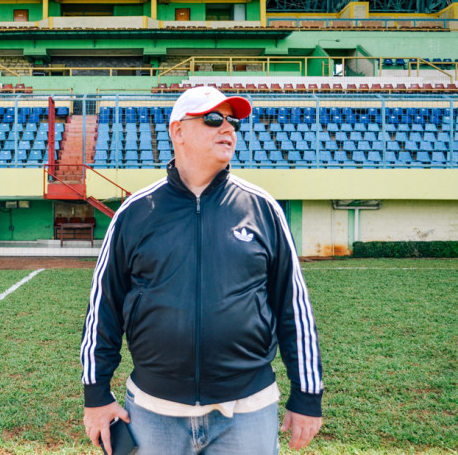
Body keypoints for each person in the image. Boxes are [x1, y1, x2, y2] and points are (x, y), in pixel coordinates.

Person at [80, 86, 323, 455]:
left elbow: (294, 308)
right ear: (178, 131)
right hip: (153, 412)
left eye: (233, 121)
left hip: (248, 410)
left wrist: (307, 394)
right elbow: (103, 310)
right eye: (212, 119)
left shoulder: (263, 209)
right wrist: (96, 395)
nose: (227, 128)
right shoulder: (135, 213)